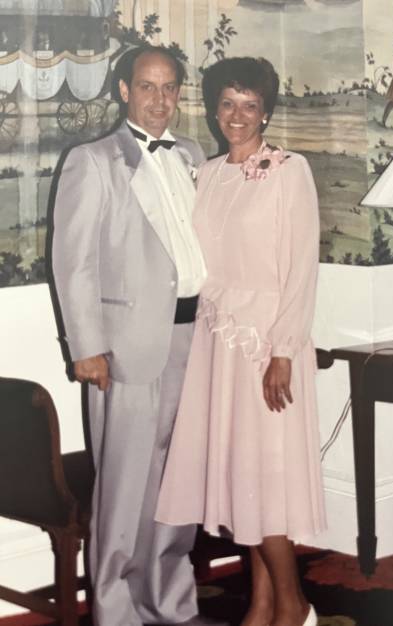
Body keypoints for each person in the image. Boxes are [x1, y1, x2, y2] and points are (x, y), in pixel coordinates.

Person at [52, 45, 226, 626]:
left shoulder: (193, 154)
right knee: (125, 490)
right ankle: (118, 612)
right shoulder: (94, 160)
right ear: (124, 90)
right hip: (127, 350)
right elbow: (73, 262)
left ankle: (169, 603)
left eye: (169, 87)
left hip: (194, 339)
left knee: (179, 483)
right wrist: (86, 348)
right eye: (147, 87)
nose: (159, 99)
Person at [156, 57, 326, 626]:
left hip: (266, 347)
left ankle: (295, 604)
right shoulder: (206, 175)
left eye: (249, 105)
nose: (237, 115)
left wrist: (283, 351)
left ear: (266, 112)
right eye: (227, 103)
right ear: (213, 109)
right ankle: (262, 604)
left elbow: (301, 269)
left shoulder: (289, 170)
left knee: (264, 484)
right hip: (218, 346)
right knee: (241, 483)